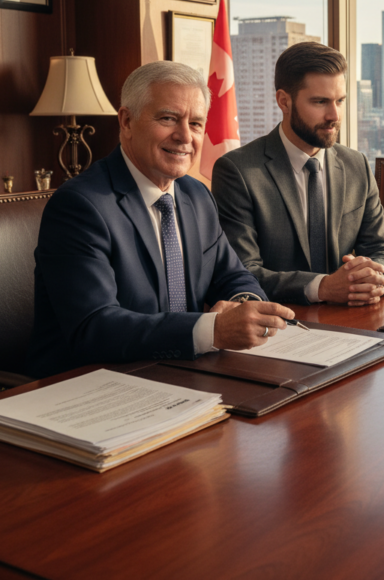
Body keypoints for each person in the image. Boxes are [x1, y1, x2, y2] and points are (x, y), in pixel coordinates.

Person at [28, 61, 296, 378]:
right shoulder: (80, 206)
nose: (185, 136)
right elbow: (94, 327)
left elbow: (232, 276)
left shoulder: (196, 195)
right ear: (126, 121)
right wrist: (212, 330)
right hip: (93, 384)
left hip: (181, 372)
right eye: (168, 118)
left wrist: (245, 306)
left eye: (196, 124)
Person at [211, 41, 384, 306]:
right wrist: (321, 287)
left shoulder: (355, 164)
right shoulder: (238, 171)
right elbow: (243, 271)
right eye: (320, 102)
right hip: (281, 322)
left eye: (340, 101)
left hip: (354, 316)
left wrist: (379, 278)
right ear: (284, 101)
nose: (334, 114)